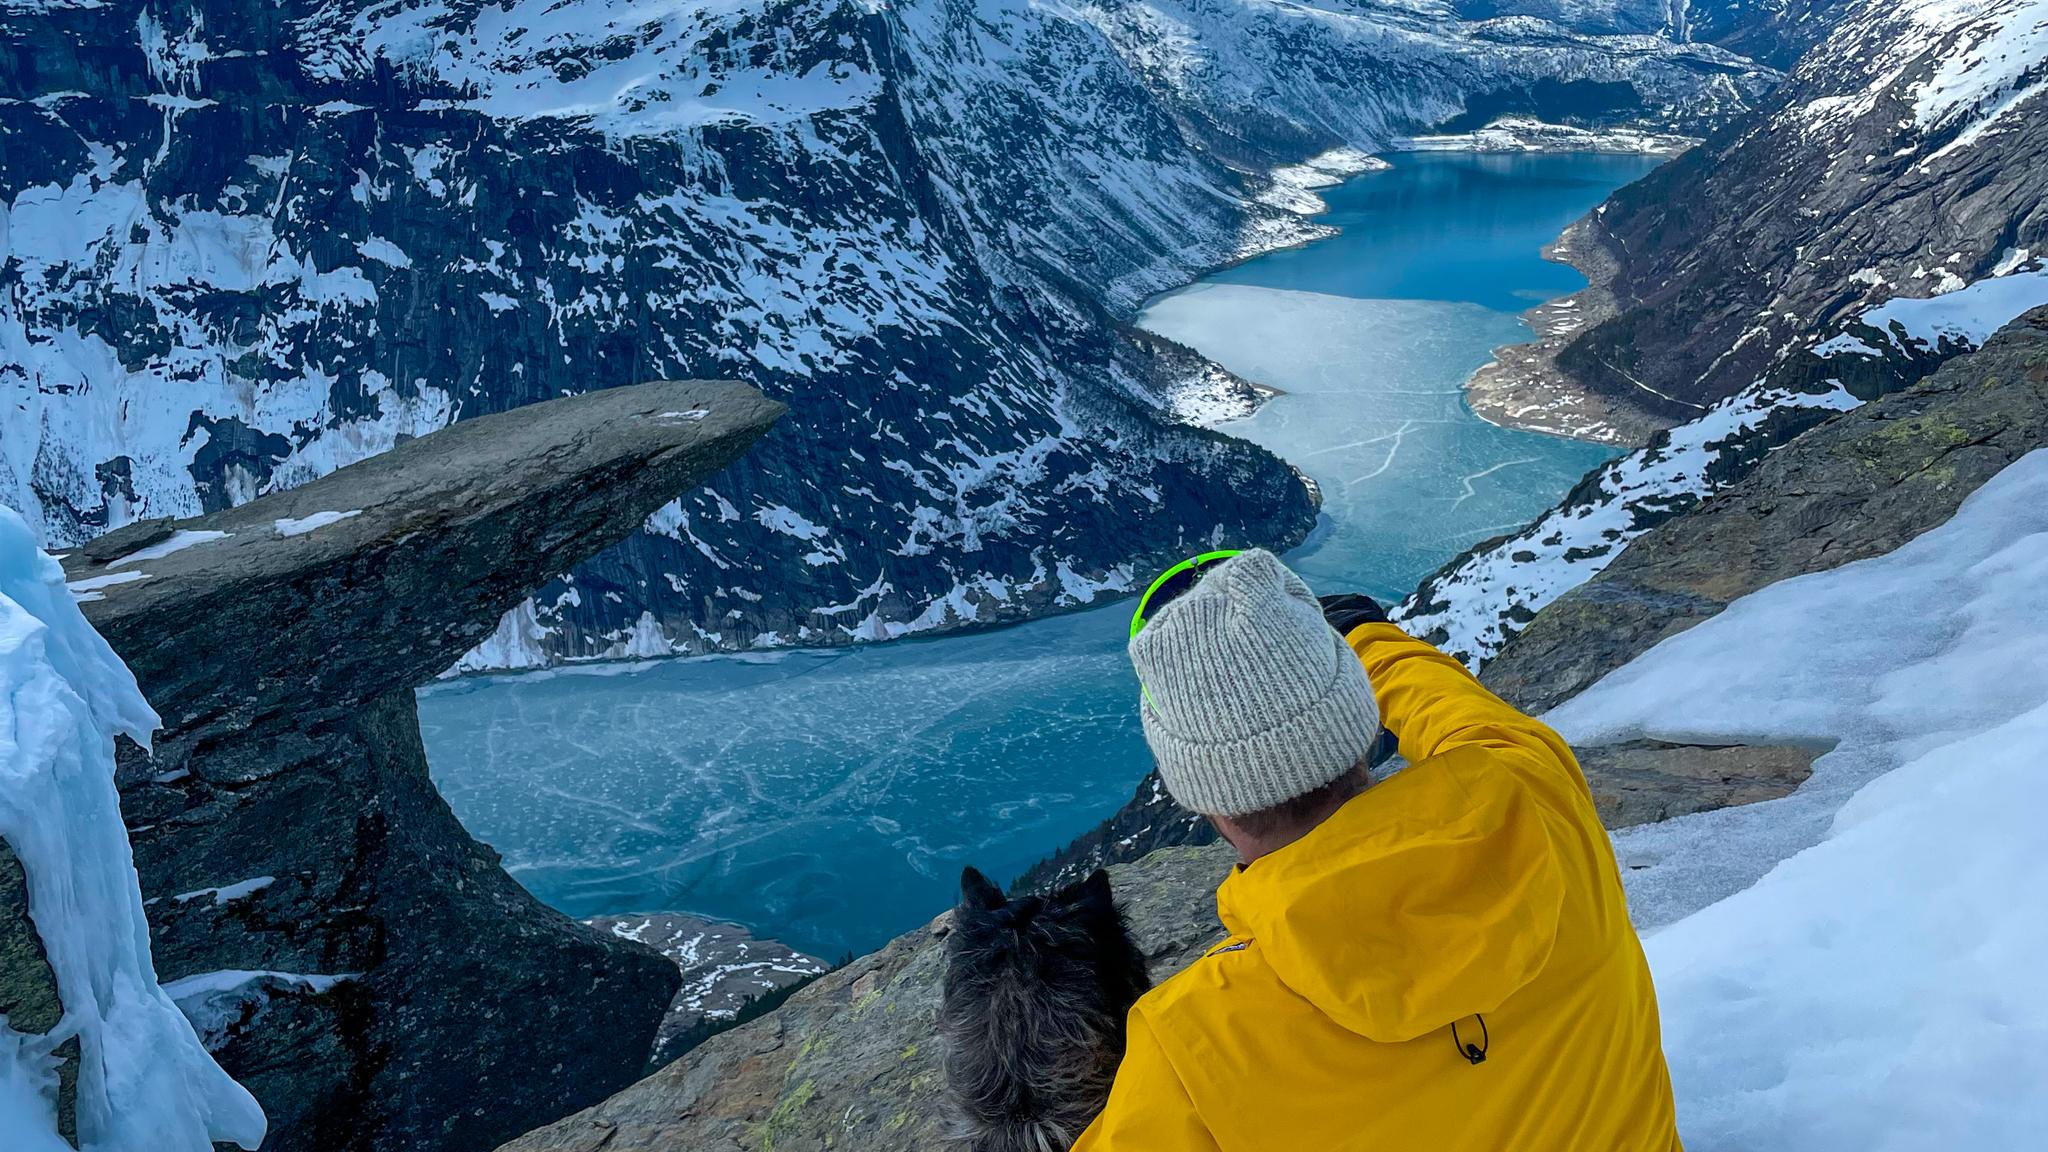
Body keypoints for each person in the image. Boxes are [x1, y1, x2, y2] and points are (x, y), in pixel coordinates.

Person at [1071, 548, 1681, 1151]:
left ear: (1203, 796)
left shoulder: (1192, 1046)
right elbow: (1452, 706)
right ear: (1362, 719)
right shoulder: (1541, 799)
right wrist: (1362, 637)